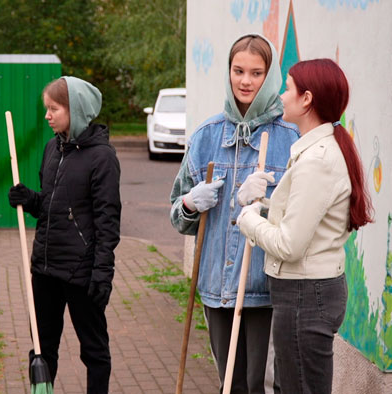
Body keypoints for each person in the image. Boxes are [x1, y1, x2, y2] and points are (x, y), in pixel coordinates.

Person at [169, 33, 300, 394]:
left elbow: (303, 217)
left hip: (266, 288)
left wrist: (267, 204)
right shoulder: (206, 136)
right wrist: (190, 203)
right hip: (216, 286)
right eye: (238, 71)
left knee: (260, 386)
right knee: (230, 385)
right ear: (228, 72)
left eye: (256, 73)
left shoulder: (290, 138)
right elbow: (178, 216)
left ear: (270, 77)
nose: (245, 81)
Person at [237, 58, 373, 394]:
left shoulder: (316, 161)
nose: (282, 96)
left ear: (307, 99)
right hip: (308, 291)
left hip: (304, 294)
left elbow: (289, 245)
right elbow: (307, 219)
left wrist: (248, 220)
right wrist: (264, 202)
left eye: (288, 87)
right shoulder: (320, 151)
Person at [7, 76, 121, 394]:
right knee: (41, 348)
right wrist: (29, 200)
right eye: (47, 108)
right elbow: (52, 205)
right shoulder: (52, 148)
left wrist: (102, 273)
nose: (47, 115)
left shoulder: (102, 158)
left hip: (82, 273)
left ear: (77, 110)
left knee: (94, 351)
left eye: (54, 108)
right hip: (45, 268)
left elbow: (107, 222)